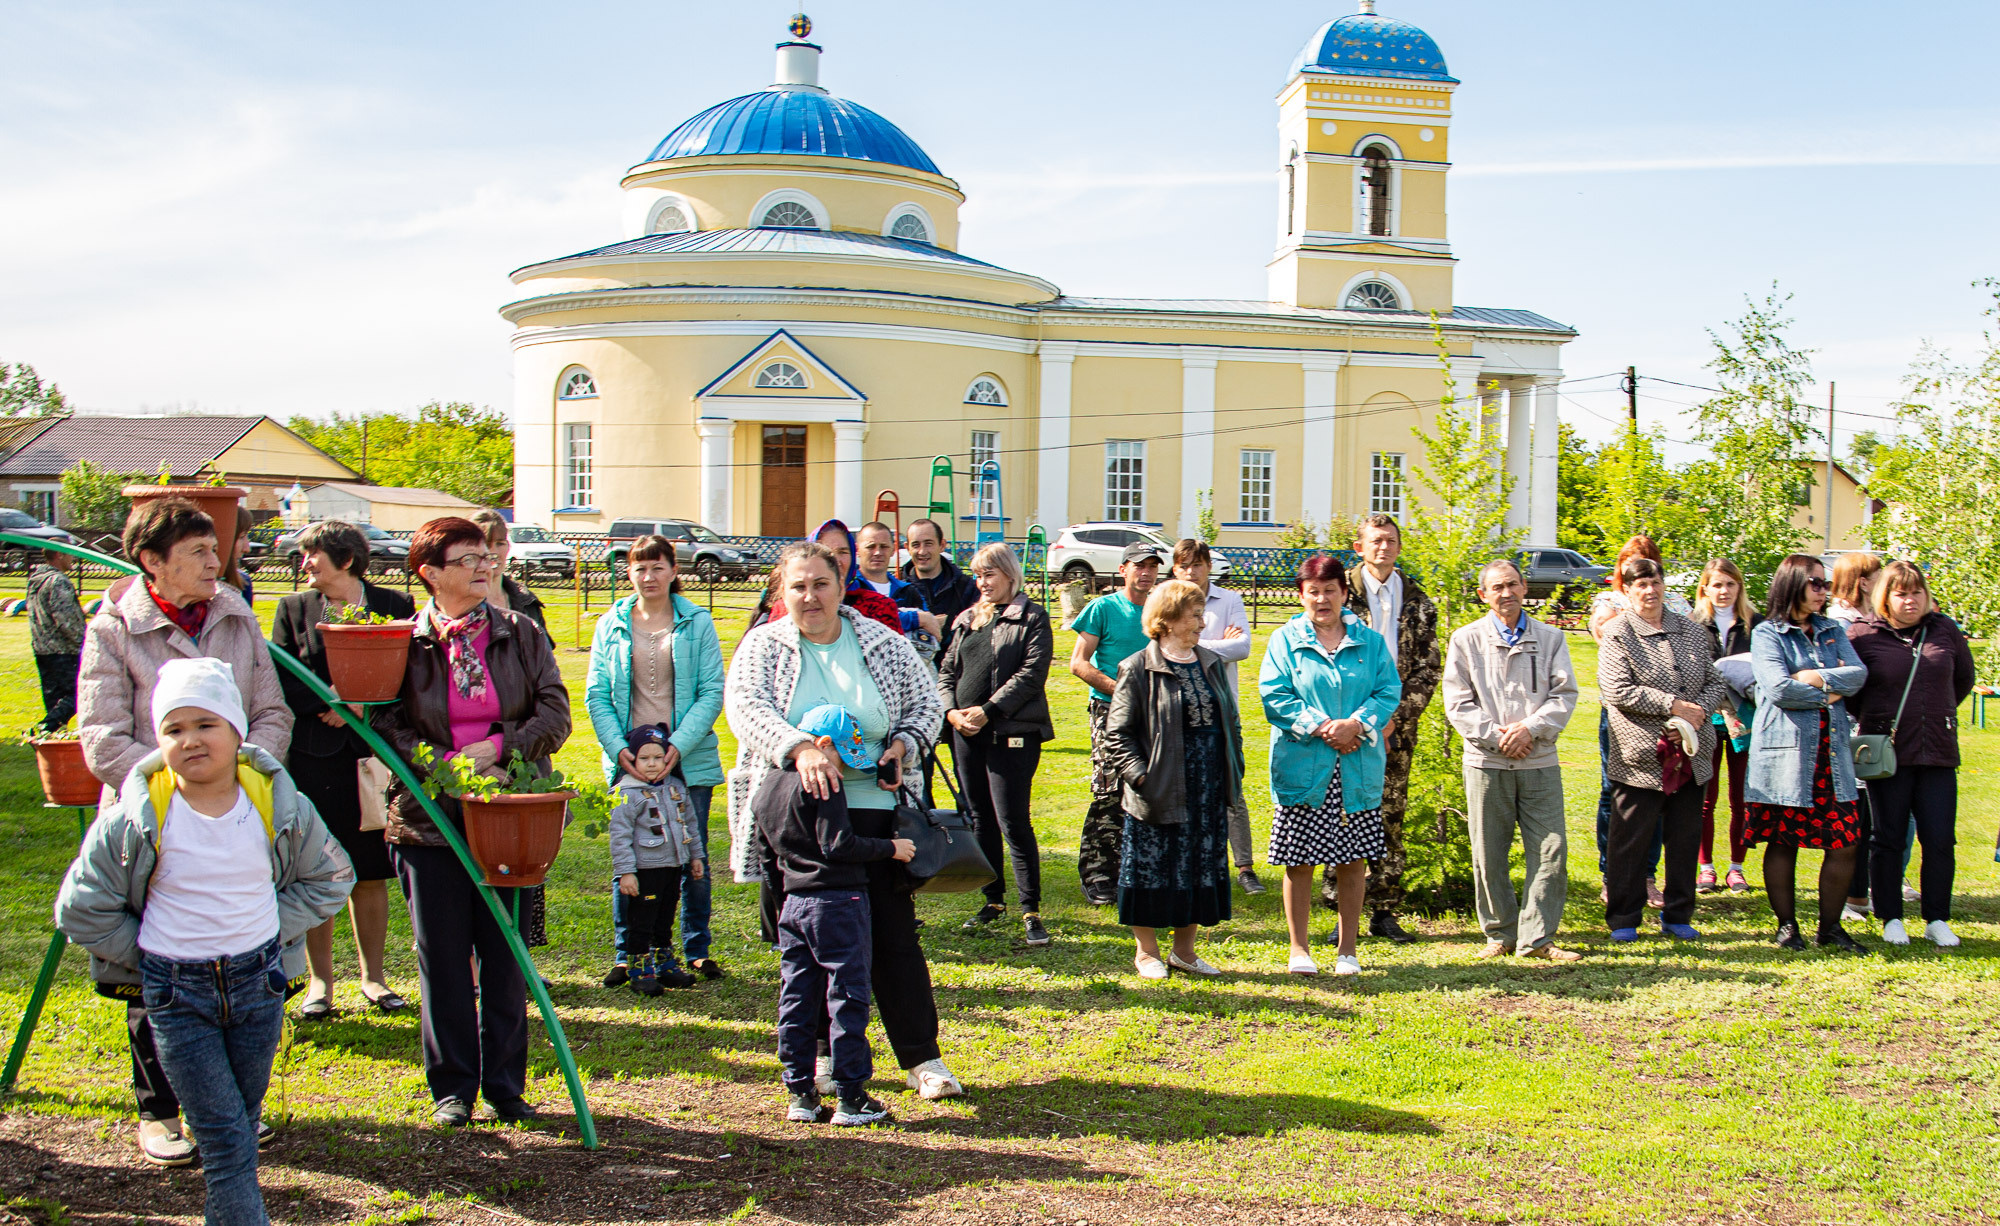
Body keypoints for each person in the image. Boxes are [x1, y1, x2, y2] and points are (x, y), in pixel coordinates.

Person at [55, 657, 354, 1226]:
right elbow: (81, 907)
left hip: (257, 985)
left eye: (205, 724)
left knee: (237, 1122)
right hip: (175, 994)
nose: (190, 740)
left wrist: (270, 926)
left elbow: (331, 876)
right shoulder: (136, 815)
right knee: (223, 1138)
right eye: (173, 729)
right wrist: (148, 956)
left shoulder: (277, 804)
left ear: (236, 730)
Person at [78, 496, 293, 1167]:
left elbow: (271, 710)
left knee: (234, 957)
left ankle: (227, 1109)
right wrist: (173, 791)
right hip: (153, 822)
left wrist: (246, 778)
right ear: (152, 562)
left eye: (214, 548)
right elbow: (101, 735)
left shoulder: (235, 613)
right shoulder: (114, 627)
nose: (215, 561)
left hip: (238, 815)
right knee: (157, 963)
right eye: (198, 552)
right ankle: (161, 1110)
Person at [725, 541, 963, 1101]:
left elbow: (926, 705)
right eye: (798, 586)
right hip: (797, 817)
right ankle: (826, 1058)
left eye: (821, 584)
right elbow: (745, 707)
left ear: (841, 585)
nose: (811, 596)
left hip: (875, 811)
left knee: (892, 937)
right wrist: (798, 747)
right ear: (782, 593)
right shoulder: (763, 645)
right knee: (809, 943)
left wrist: (904, 744)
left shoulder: (880, 642)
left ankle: (922, 1058)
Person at [374, 517, 571, 1127]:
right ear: (429, 573)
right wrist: (439, 767)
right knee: (442, 952)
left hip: (510, 815)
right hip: (428, 817)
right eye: (467, 560)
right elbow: (384, 723)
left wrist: (500, 748)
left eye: (488, 557)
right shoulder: (402, 643)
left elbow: (555, 714)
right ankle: (453, 1087)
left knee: (504, 953)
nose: (485, 567)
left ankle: (506, 1085)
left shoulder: (522, 632)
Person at [270, 520, 416, 1021]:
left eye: (313, 555)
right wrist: (328, 702)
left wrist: (360, 705)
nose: (304, 563)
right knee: (316, 869)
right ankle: (319, 984)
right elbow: (282, 678)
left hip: (372, 757)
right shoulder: (292, 610)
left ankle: (374, 979)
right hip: (313, 759)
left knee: (370, 871)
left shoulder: (394, 606)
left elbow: (411, 671)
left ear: (347, 560)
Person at [755, 704, 916, 1127]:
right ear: (822, 745)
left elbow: (764, 855)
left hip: (794, 902)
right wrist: (889, 849)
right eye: (843, 757)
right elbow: (838, 845)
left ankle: (800, 1094)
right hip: (839, 902)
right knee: (846, 996)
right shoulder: (822, 782)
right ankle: (851, 1095)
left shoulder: (768, 785)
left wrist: (780, 903)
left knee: (797, 998)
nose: (843, 770)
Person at [585, 534, 728, 987]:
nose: (648, 577)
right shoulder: (611, 623)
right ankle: (629, 951)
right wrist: (619, 750)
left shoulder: (697, 622)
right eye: (639, 568)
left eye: (658, 567)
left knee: (691, 854)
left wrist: (676, 748)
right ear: (629, 572)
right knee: (631, 854)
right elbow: (596, 695)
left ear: (673, 570)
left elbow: (711, 692)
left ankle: (694, 948)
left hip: (686, 756)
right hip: (630, 760)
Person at [1259, 555, 1400, 976]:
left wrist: (1356, 724)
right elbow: (1275, 696)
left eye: (1330, 590)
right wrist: (1323, 727)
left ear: (1343, 592)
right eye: (1313, 591)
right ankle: (1299, 950)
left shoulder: (1370, 641)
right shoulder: (1284, 640)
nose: (1322, 599)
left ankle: (1347, 950)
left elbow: (1387, 690)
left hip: (1356, 766)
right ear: (1301, 595)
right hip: (1305, 765)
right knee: (1299, 859)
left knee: (1352, 858)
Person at [1101, 579, 1244, 979]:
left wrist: (1234, 765)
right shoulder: (1137, 667)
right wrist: (1141, 777)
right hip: (1160, 786)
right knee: (1150, 867)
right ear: (1167, 620)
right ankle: (1146, 952)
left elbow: (1229, 719)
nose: (1203, 621)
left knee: (1197, 867)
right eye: (1195, 615)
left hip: (1206, 786)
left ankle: (1184, 952)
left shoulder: (1210, 662)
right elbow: (1118, 733)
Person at [1441, 559, 1583, 961]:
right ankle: (1500, 934)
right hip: (1487, 763)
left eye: (1513, 585)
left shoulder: (1552, 638)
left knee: (1551, 849)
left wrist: (1530, 729)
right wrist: (1497, 738)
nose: (1506, 593)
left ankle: (1537, 939)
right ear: (1483, 595)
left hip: (1539, 761)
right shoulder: (1466, 640)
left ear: (1525, 588)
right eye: (1497, 587)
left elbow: (1564, 695)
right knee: (1488, 851)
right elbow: (1458, 701)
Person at [1597, 555, 1728, 944]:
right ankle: (1624, 917)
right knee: (1630, 841)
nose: (1649, 591)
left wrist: (1696, 714)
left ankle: (1678, 914)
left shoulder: (1689, 630)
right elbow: (1617, 690)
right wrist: (1672, 707)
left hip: (1691, 753)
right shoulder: (1618, 632)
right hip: (1640, 756)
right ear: (1626, 590)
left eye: (1654, 582)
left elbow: (1715, 680)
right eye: (1640, 584)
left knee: (1685, 839)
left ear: (1663, 585)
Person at [1744, 553, 1869, 952]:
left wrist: (1817, 678)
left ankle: (1830, 928)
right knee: (1783, 841)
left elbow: (1859, 674)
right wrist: (1831, 694)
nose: (1823, 590)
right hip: (1786, 756)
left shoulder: (1832, 629)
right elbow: (1779, 690)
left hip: (1832, 757)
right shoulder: (1767, 633)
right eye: (1815, 582)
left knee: (1845, 842)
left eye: (1826, 583)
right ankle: (1787, 927)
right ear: (1793, 583)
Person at [1847, 561, 1974, 947]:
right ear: (1885, 596)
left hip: (1937, 750)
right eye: (1901, 592)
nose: (1910, 600)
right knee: (1888, 837)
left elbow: (1963, 679)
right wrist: (1879, 721)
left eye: (1916, 592)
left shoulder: (1945, 630)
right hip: (1888, 753)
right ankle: (1891, 917)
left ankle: (1937, 917)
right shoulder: (1862, 635)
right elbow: (1852, 691)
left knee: (1939, 839)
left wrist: (1939, 713)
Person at [1326, 513, 1438, 945]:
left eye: (1390, 541)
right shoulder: (1342, 594)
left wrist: (1396, 716)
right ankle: (1341, 910)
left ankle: (1384, 910)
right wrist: (1359, 719)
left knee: (1390, 813)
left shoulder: (1417, 600)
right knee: (1344, 811)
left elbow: (1429, 667)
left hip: (1397, 728)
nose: (1383, 548)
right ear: (1359, 547)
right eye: (1375, 541)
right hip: (1347, 724)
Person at [937, 542, 1054, 945]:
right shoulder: (966, 619)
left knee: (1012, 820)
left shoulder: (1032, 616)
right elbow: (947, 672)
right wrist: (951, 713)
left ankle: (1031, 908)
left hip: (1013, 731)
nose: (982, 582)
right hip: (965, 733)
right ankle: (993, 900)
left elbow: (1031, 673)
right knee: (979, 817)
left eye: (989, 574)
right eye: (977, 575)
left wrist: (987, 710)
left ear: (1009, 575)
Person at [1588, 536, 1691, 908]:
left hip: (1668, 720)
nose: (1640, 573)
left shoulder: (1677, 604)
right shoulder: (1609, 603)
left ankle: (1647, 876)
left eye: (1648, 565)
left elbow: (1690, 648)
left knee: (1663, 793)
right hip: (1623, 716)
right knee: (1614, 793)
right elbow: (1606, 638)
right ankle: (1611, 874)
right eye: (1630, 563)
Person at [1068, 543, 1161, 906]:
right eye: (1139, 566)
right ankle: (1097, 872)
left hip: (1152, 714)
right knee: (1108, 788)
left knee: (1143, 788)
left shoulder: (1158, 612)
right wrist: (1119, 691)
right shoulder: (1102, 608)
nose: (1146, 573)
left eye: (1152, 567)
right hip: (1109, 711)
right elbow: (1079, 662)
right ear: (1123, 569)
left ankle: (1131, 868)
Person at [1172, 539, 1262, 894]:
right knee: (1183, 788)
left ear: (1209, 566)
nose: (1191, 572)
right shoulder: (1168, 600)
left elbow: (1241, 647)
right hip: (1178, 711)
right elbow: (1162, 646)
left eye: (1198, 564)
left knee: (1231, 787)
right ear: (1176, 569)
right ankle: (1197, 864)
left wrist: (1191, 644)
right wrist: (1213, 646)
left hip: (1223, 710)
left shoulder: (1229, 601)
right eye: (1184, 565)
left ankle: (1245, 867)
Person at [609, 725, 705, 994]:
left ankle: (664, 963)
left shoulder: (675, 787)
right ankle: (639, 967)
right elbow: (619, 838)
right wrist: (626, 872)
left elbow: (690, 824)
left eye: (658, 757)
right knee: (642, 919)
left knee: (665, 917)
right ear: (631, 759)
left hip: (673, 866)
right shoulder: (626, 793)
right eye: (643, 758)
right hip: (645, 870)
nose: (651, 764)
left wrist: (695, 856)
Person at [1689, 558, 1761, 895]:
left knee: (1741, 799)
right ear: (1705, 587)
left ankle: (1737, 867)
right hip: (1706, 719)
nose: (1723, 591)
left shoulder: (1754, 625)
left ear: (1739, 587)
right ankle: (1706, 868)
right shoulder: (1692, 625)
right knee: (1705, 797)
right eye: (1717, 584)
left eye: (1730, 584)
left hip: (1744, 720)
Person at [1825, 550, 1885, 919]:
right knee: (1855, 814)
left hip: (1874, 728)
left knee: (1876, 813)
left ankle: (1872, 887)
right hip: (1846, 729)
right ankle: (1853, 895)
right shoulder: (1841, 624)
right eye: (1878, 577)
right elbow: (1843, 678)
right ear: (1863, 581)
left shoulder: (1877, 620)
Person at [899, 517, 980, 657]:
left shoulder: (967, 589)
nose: (922, 551)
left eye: (928, 544)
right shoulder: (899, 589)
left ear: (942, 545)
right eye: (916, 545)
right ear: (907, 548)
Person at [28, 547, 87, 732]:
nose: (72, 559)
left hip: (43, 649)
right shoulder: (58, 581)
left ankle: (51, 741)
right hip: (64, 650)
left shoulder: (36, 580)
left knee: (55, 702)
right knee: (79, 694)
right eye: (70, 554)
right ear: (60, 554)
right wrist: (85, 643)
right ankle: (43, 729)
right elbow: (66, 619)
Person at [471, 510, 548, 633]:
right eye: (486, 544)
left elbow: (544, 650)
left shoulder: (526, 602)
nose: (493, 552)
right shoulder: (461, 604)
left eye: (500, 544)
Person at [1826, 553, 1882, 627]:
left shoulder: (1873, 614)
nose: (1885, 583)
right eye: (1880, 577)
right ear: (1863, 584)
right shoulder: (1842, 623)